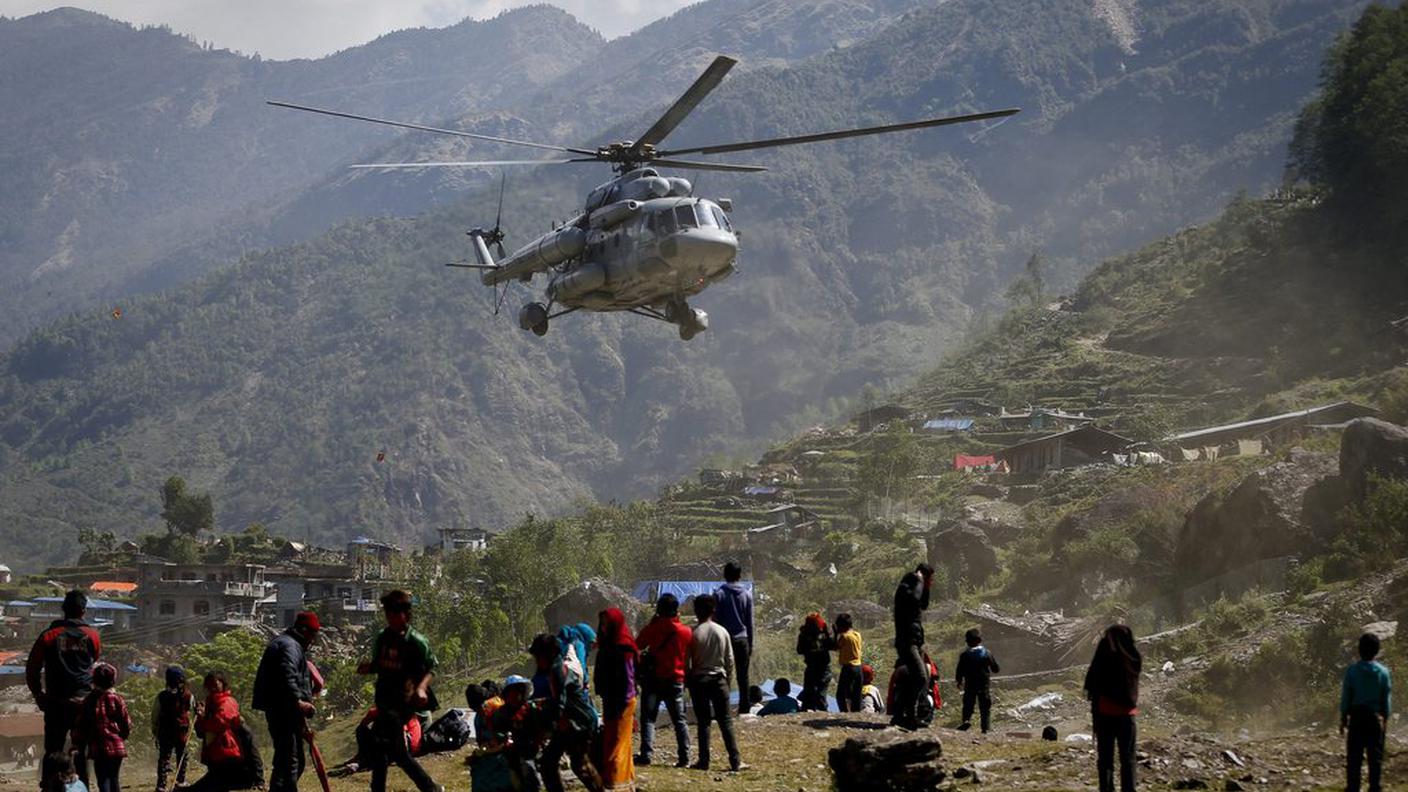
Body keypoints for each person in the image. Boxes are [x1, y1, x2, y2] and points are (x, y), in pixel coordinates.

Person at [359, 590, 442, 792]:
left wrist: (422, 688)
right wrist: (368, 667)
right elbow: (379, 664)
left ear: (406, 614)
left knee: (382, 746)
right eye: (388, 613)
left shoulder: (416, 641)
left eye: (395, 614)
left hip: (403, 701)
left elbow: (433, 667)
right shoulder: (383, 638)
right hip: (384, 698)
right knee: (396, 752)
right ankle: (430, 788)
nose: (391, 618)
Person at [27, 590, 101, 789]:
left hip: (55, 703)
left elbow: (32, 667)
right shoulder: (92, 635)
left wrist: (38, 695)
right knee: (81, 751)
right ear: (83, 611)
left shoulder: (49, 636)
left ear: (63, 610)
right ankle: (81, 786)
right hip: (82, 706)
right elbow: (94, 661)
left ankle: (50, 787)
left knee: (53, 750)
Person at [252, 610, 319, 792]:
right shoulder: (290, 646)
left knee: (289, 758)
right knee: (290, 760)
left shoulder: (287, 643)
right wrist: (299, 702)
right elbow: (287, 676)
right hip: (284, 710)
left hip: (283, 709)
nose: (313, 640)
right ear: (304, 631)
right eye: (312, 635)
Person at [529, 632, 603, 792]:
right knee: (550, 763)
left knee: (579, 764)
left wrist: (543, 729)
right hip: (569, 722)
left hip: (578, 722)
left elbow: (560, 704)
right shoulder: (553, 670)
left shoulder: (558, 672)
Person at [686, 594, 744, 772]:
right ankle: (735, 761)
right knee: (725, 721)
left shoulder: (693, 633)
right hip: (719, 680)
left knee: (703, 722)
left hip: (699, 680)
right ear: (713, 610)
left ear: (696, 611)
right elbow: (730, 660)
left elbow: (686, 661)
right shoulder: (722, 631)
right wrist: (728, 681)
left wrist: (689, 681)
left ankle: (704, 761)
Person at [633, 593, 692, 768]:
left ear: (659, 610)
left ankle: (646, 754)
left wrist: (652, 624)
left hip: (653, 680)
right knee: (679, 719)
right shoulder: (685, 631)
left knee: (648, 718)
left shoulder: (652, 629)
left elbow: (637, 645)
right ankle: (684, 757)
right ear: (677, 610)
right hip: (675, 680)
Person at [1083, 625, 1142, 792]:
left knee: (1105, 759)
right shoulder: (1132, 658)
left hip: (1105, 714)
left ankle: (1107, 788)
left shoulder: (1103, 656)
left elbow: (1092, 683)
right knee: (1128, 758)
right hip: (1126, 716)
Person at [182, 671, 260, 792]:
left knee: (214, 783)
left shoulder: (227, 701)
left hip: (228, 752)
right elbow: (201, 731)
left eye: (215, 684)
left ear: (223, 684)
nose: (212, 688)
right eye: (209, 685)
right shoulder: (210, 703)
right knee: (215, 783)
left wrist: (204, 719)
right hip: (215, 754)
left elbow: (220, 722)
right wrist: (201, 716)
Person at [1342, 632, 1392, 792]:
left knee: (1354, 758)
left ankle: (1353, 787)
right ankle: (1375, 787)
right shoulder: (1383, 672)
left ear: (1359, 650)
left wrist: (1343, 717)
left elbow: (1346, 696)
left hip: (1357, 718)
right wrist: (1385, 717)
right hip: (1374, 719)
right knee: (1375, 758)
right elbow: (1386, 697)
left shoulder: (1352, 671)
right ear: (1377, 651)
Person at [594, 608, 637, 791]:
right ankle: (625, 781)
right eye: (601, 623)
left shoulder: (623, 647)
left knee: (617, 744)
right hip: (610, 699)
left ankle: (615, 784)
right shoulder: (607, 644)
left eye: (607, 624)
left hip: (622, 701)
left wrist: (623, 703)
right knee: (616, 742)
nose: (603, 627)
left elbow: (628, 679)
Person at [891, 563, 933, 729]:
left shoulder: (910, 583)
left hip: (912, 639)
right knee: (920, 676)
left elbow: (923, 604)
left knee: (911, 677)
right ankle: (910, 715)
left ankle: (900, 715)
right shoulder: (914, 579)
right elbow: (917, 599)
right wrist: (922, 582)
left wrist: (926, 587)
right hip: (908, 641)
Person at [75, 662, 129, 792]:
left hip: (98, 747)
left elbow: (81, 724)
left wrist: (80, 742)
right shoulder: (117, 699)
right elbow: (125, 722)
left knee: (103, 780)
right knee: (114, 778)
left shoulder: (88, 700)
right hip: (117, 746)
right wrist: (121, 737)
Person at [714, 563, 755, 717]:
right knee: (743, 675)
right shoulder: (746, 594)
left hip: (725, 640)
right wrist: (750, 643)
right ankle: (745, 708)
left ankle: (723, 708)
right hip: (743, 639)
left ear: (725, 575)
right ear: (739, 575)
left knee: (723, 674)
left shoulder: (719, 594)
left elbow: (716, 620)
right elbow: (750, 622)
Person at [154, 666, 196, 792]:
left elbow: (155, 715)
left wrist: (155, 731)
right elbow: (192, 711)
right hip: (181, 731)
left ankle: (161, 785)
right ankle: (180, 781)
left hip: (165, 732)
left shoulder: (162, 696)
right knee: (182, 755)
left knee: (164, 758)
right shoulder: (189, 696)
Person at [955, 629, 1000, 733]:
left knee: (968, 704)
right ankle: (986, 728)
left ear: (967, 641)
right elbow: (995, 669)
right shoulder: (986, 653)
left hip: (970, 685)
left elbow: (959, 670)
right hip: (983, 685)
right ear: (980, 640)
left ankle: (966, 721)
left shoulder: (964, 655)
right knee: (985, 706)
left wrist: (959, 681)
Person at [796, 613, 834, 712]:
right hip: (820, 667)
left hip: (815, 667)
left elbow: (799, 650)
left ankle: (812, 709)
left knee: (812, 691)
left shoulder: (805, 634)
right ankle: (819, 710)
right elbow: (833, 646)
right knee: (818, 692)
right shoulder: (822, 634)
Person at [833, 613, 864, 712]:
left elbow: (835, 647)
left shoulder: (844, 637)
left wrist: (835, 634)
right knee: (856, 695)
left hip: (848, 668)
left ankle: (844, 712)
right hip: (858, 668)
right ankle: (856, 713)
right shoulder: (857, 635)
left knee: (840, 695)